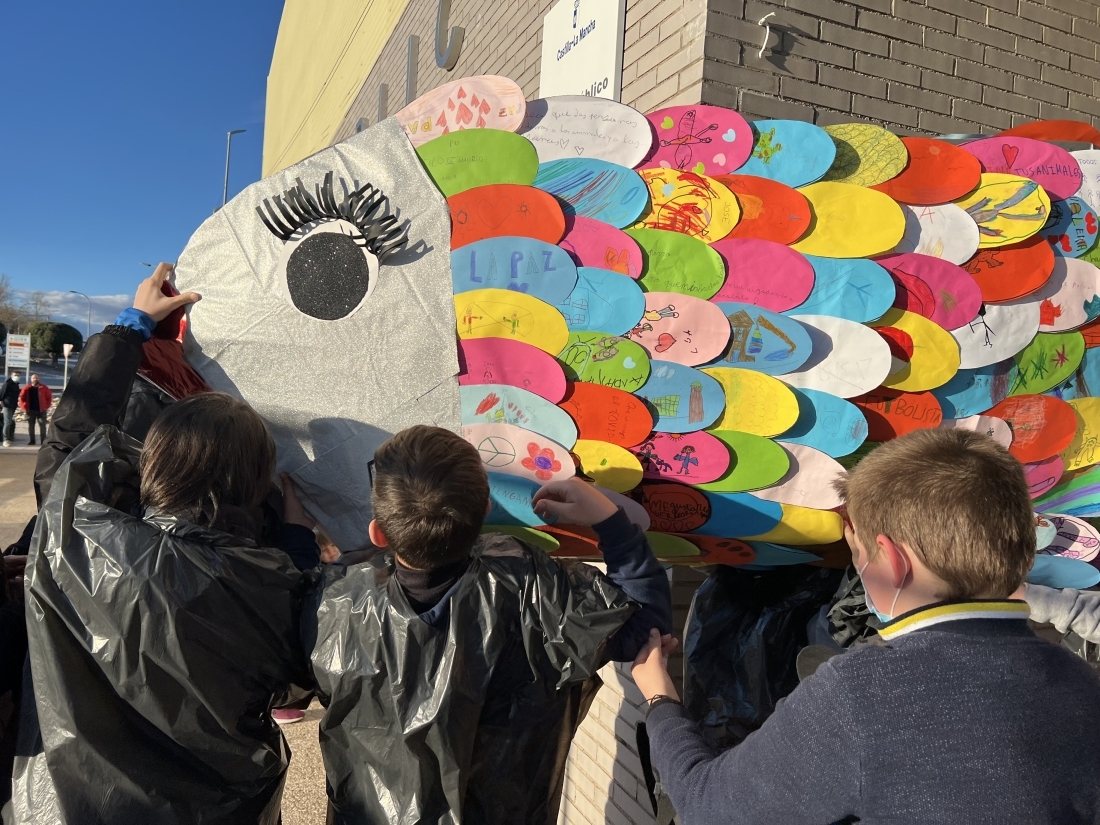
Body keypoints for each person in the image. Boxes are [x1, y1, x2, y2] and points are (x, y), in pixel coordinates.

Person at [632, 428, 1100, 824]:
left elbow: (705, 805)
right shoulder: (1081, 685)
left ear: (892, 562)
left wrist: (658, 699)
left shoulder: (861, 694)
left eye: (859, 555)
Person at [11, 265, 320, 825]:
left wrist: (132, 327)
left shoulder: (76, 534)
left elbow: (74, 433)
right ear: (258, 487)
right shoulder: (273, 584)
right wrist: (295, 538)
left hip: (60, 808)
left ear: (150, 461)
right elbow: (295, 683)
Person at [306, 426, 673, 824]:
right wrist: (609, 521)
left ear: (378, 532)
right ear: (484, 511)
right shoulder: (530, 587)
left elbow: (268, 672)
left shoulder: (331, 608)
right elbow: (645, 629)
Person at [17, 374, 51, 446]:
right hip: (30, 410)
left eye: (36, 378)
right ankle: (32, 441)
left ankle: (43, 441)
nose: (35, 379)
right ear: (31, 379)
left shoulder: (44, 388)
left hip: (41, 410)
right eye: (33, 378)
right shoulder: (26, 388)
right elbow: (21, 398)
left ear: (39, 379)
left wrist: (46, 406)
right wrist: (24, 407)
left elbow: (49, 398)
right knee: (31, 426)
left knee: (42, 426)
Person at [1, 372, 18, 447]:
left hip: (13, 406)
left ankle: (9, 438)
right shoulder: (7, 384)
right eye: (15, 375)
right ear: (11, 376)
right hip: (6, 405)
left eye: (18, 375)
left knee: (10, 422)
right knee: (7, 422)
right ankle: (5, 439)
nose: (16, 377)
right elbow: (1, 394)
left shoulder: (16, 384)